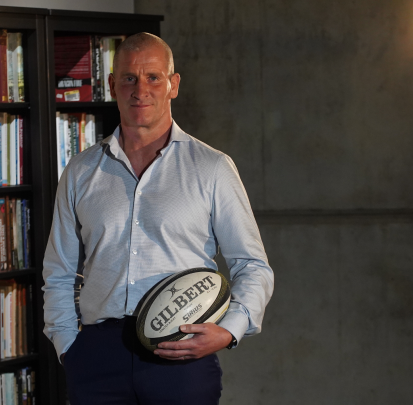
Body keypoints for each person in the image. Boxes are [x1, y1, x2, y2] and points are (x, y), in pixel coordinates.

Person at [43, 32, 274, 404]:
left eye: (153, 77)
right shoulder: (81, 171)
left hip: (182, 355)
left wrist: (229, 330)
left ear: (173, 85)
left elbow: (252, 265)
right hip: (96, 358)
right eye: (129, 78)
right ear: (112, 85)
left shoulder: (212, 168)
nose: (141, 90)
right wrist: (69, 347)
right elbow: (59, 271)